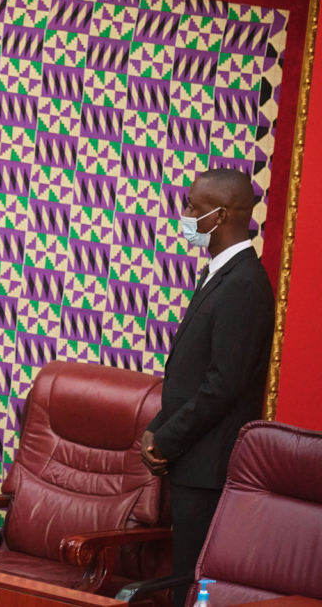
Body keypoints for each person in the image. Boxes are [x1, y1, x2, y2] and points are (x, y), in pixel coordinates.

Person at [141, 168, 275, 607]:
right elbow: (191, 371)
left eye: (192, 207)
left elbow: (223, 385)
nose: (184, 215)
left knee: (196, 586)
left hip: (209, 469)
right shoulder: (217, 274)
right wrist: (159, 424)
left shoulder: (244, 285)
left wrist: (168, 439)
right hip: (190, 460)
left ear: (220, 216)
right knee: (183, 576)